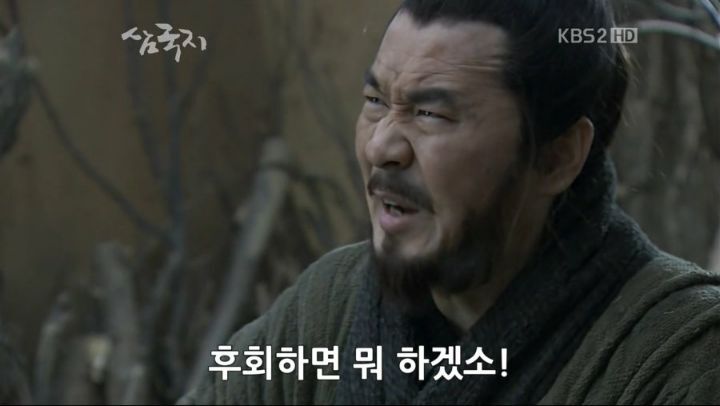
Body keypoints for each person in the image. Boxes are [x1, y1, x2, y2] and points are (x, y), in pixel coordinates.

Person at [179, 1, 720, 404]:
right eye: (375, 102)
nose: (381, 147)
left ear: (556, 157)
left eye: (431, 114)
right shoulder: (324, 311)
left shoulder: (677, 361)